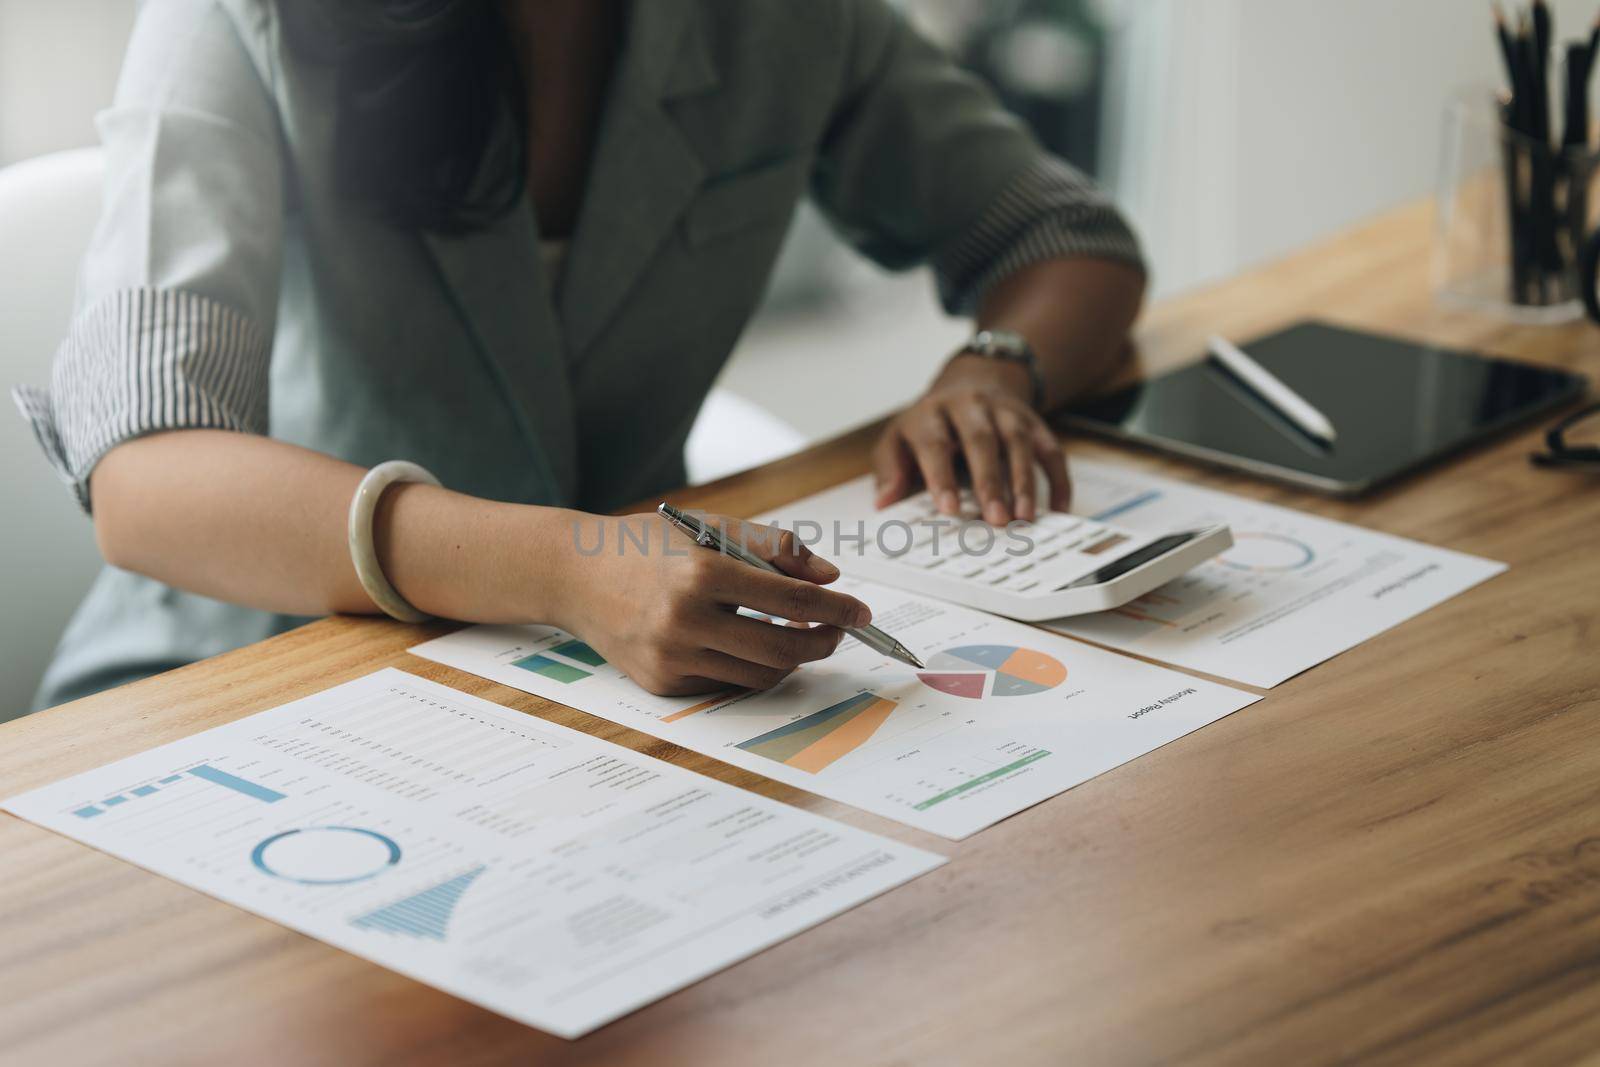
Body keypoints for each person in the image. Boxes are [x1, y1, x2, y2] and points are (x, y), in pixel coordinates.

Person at [15, 0, 1145, 709]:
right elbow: (145, 476)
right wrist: (566, 565)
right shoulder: (235, 15)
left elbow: (1064, 237)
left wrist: (994, 367)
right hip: (255, 673)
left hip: (618, 688)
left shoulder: (786, 22)